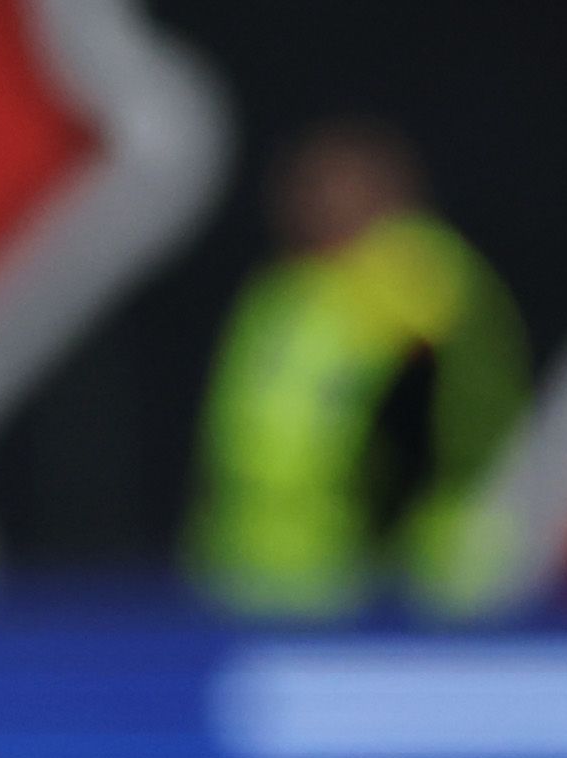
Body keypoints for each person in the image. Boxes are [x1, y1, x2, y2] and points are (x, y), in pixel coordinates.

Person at [189, 118, 531, 617]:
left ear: (389, 190)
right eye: (305, 184)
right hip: (260, 574)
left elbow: (421, 426)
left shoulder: (421, 281)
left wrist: (389, 560)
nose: (312, 200)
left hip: (384, 586)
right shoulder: (284, 291)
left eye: (334, 183)